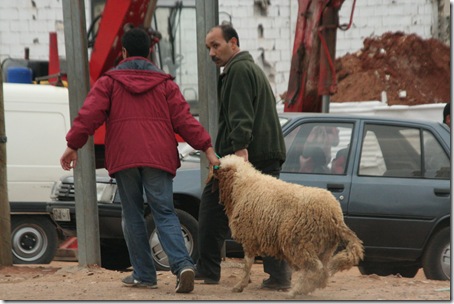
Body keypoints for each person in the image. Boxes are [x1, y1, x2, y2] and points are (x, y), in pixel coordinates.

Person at [59, 27, 220, 293]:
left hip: (125, 157)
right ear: (150, 52)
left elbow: (88, 115)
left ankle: (144, 275)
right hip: (158, 157)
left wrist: (72, 145)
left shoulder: (110, 82)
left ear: (123, 52)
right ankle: (182, 265)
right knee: (164, 212)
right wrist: (207, 148)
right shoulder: (166, 84)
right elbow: (185, 120)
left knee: (132, 214)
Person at [196, 23, 292, 290]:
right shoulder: (249, 68)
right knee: (268, 216)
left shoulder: (237, 70)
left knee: (212, 207)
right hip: (266, 153)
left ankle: (208, 269)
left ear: (233, 44)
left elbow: (241, 116)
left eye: (216, 46)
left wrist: (239, 154)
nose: (212, 53)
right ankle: (279, 276)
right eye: (209, 48)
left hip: (244, 158)